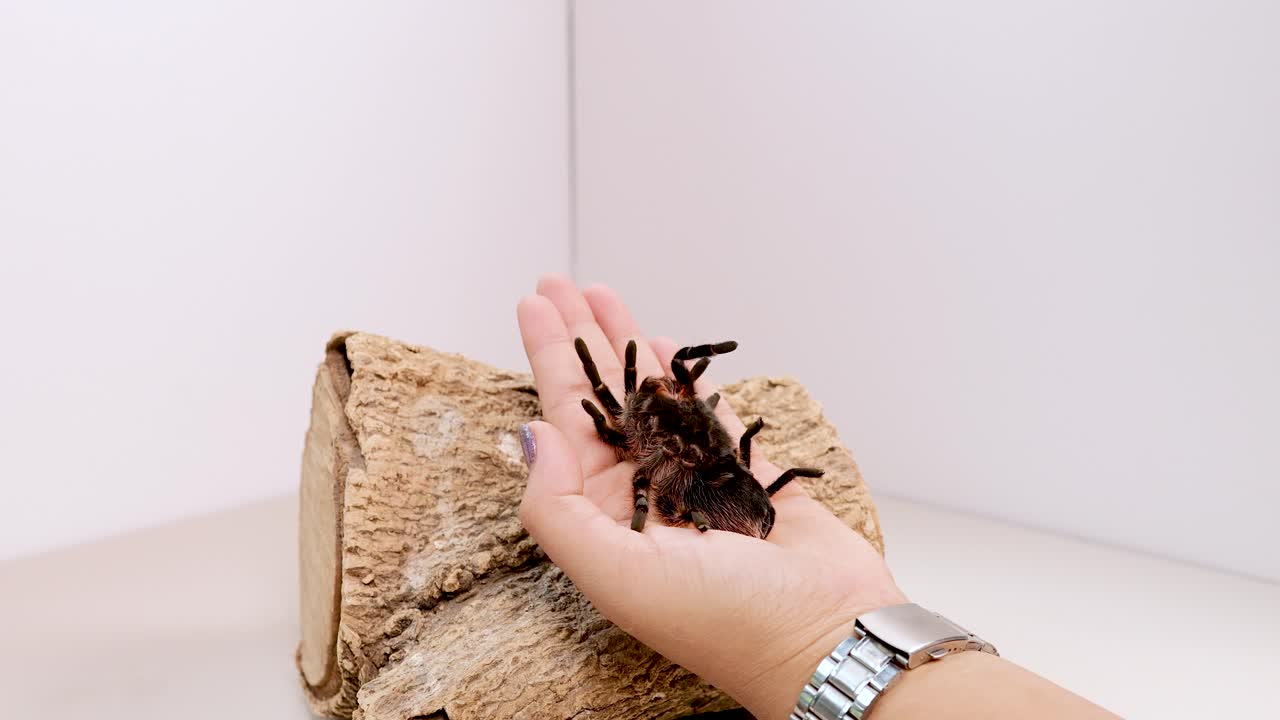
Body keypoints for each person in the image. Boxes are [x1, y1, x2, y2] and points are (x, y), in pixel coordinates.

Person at [514, 275, 1117, 720]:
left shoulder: (645, 432)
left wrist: (812, 633)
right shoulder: (692, 427)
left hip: (709, 496)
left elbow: (633, 420)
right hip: (722, 493)